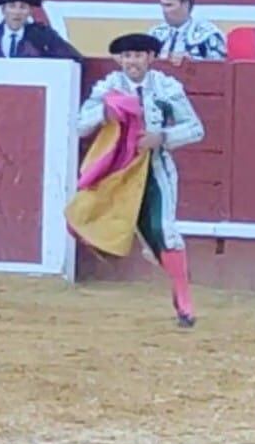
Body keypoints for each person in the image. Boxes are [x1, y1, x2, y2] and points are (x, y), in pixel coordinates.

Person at [73, 32, 206, 328]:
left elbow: (196, 129)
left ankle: (184, 301)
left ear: (150, 58)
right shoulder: (108, 87)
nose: (132, 61)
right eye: (127, 56)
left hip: (156, 170)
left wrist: (163, 137)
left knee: (165, 231)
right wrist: (104, 113)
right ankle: (176, 275)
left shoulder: (166, 87)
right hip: (118, 175)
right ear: (120, 59)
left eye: (138, 55)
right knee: (91, 217)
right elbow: (81, 126)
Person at [0, 0, 82, 60]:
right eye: (12, 7)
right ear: (3, 10)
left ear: (30, 12)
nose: (17, 12)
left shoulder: (43, 35)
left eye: (23, 7)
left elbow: (73, 58)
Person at [149, 0, 227, 62]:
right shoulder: (155, 34)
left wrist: (193, 64)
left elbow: (218, 70)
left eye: (169, 5)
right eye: (162, 6)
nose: (164, 11)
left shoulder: (208, 35)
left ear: (186, 5)